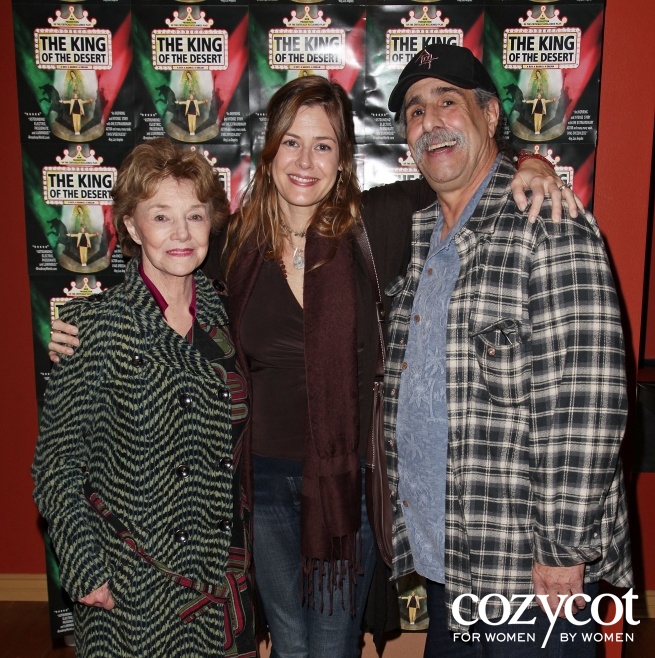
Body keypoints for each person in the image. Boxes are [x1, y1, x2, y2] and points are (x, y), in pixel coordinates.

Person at [48, 78, 573, 656]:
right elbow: (163, 256)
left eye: (322, 146)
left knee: (332, 643)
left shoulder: (378, 221)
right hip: (261, 483)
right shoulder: (236, 240)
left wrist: (531, 162)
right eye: (291, 143)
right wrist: (86, 325)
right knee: (291, 642)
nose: (305, 161)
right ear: (269, 153)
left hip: (344, 484)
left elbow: (467, 173)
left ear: (343, 158)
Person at [383, 43, 632, 657]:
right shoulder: (417, 237)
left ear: (490, 116)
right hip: (452, 564)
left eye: (448, 102)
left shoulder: (548, 221)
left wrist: (562, 553)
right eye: (415, 111)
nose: (430, 121)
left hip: (530, 574)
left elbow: (588, 403)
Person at [32, 139, 255, 657]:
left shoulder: (228, 313)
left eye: (195, 216)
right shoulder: (95, 328)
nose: (181, 234)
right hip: (132, 584)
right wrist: (85, 570)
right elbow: (56, 468)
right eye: (161, 216)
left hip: (223, 573)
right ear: (132, 227)